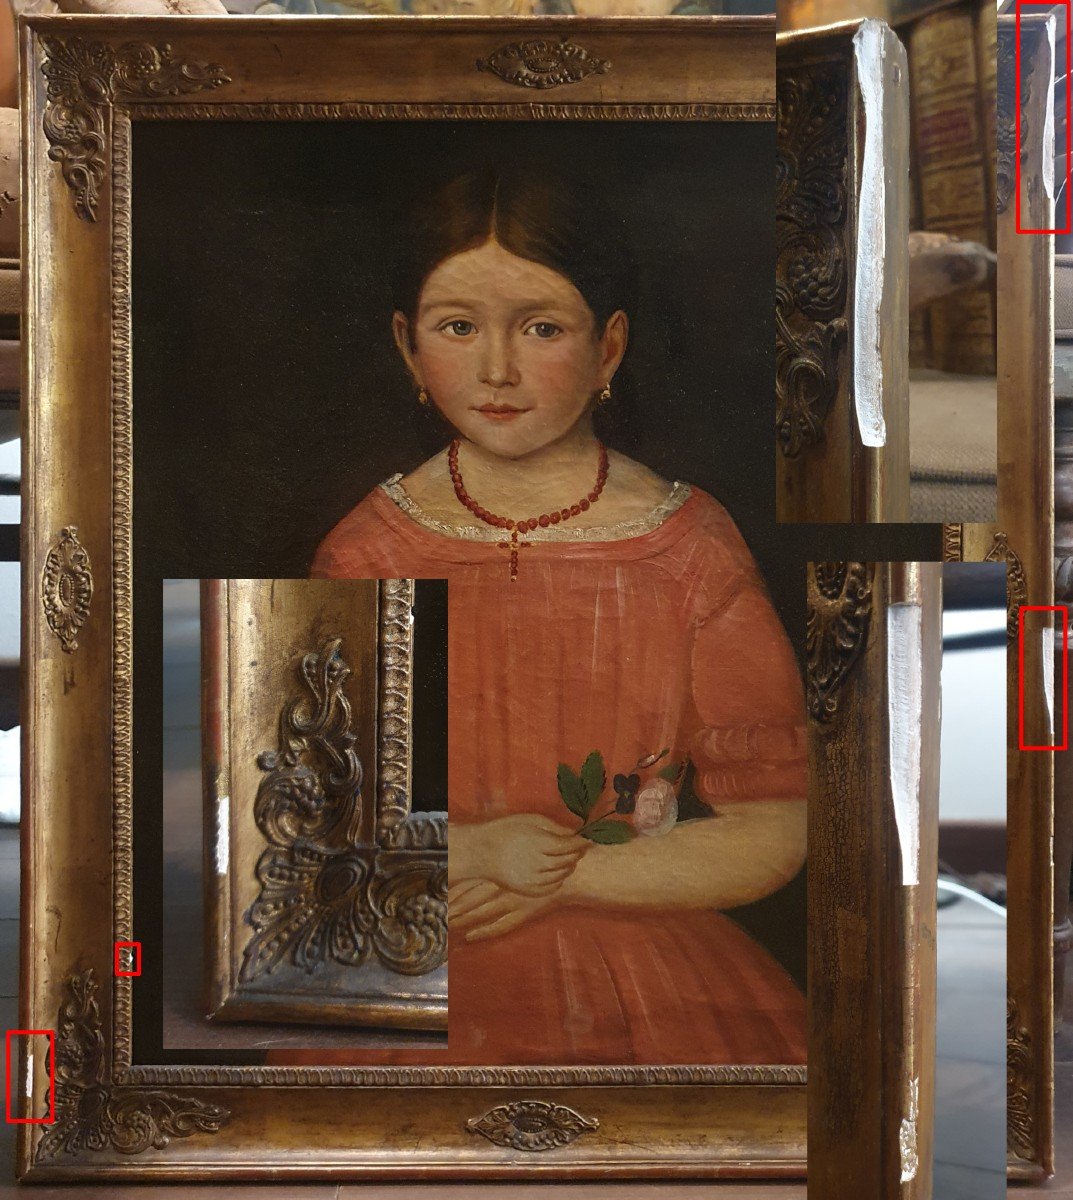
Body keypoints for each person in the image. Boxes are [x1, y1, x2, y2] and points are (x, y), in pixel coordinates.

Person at [310, 166, 807, 1064]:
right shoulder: (366, 551)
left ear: (608, 347)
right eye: (457, 327)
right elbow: (305, 820)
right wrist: (468, 847)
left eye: (541, 327)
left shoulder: (687, 547)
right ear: (405, 344)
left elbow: (777, 824)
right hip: (409, 972)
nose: (496, 369)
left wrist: (569, 876)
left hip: (648, 977)